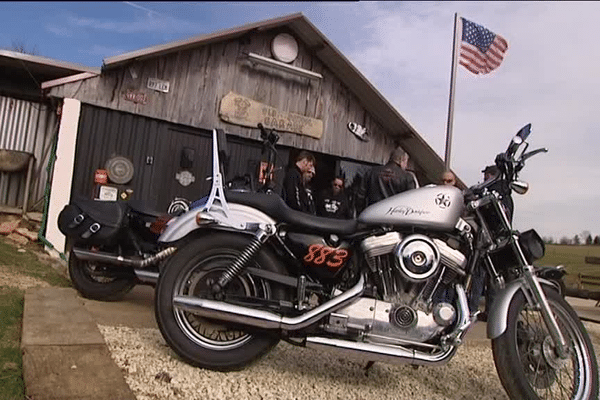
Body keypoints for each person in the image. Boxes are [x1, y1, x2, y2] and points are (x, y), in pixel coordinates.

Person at [355, 146, 416, 212]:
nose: (406, 166)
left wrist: (361, 213)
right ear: (402, 160)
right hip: (394, 218)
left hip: (373, 215)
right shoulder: (407, 177)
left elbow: (360, 197)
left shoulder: (371, 172)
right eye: (406, 162)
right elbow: (411, 202)